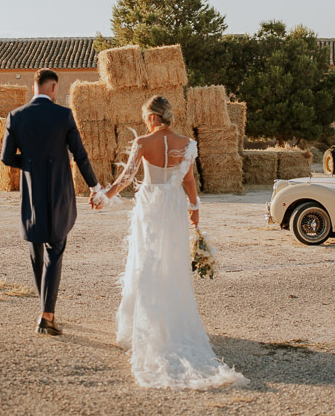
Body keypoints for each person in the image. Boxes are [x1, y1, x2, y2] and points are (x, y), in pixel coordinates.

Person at [93, 95, 247, 390]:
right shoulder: (187, 144)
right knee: (171, 263)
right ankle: (173, 326)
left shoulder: (142, 144)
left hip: (150, 205)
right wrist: (195, 211)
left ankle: (146, 328)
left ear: (152, 117)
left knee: (146, 261)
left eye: (145, 116)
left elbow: (125, 179)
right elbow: (189, 181)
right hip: (174, 206)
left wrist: (103, 197)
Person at [1, 68, 104, 336]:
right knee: (55, 248)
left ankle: (44, 309)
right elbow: (80, 155)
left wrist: (31, 164)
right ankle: (47, 315)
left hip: (32, 192)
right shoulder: (63, 115)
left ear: (33, 87)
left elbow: (6, 158)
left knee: (36, 250)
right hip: (59, 191)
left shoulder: (16, 116)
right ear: (54, 88)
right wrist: (95, 186)